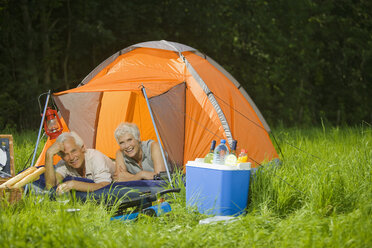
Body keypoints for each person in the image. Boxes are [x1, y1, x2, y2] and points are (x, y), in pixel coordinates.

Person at [44, 131, 115, 194]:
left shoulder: (95, 157)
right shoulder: (63, 163)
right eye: (65, 154)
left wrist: (74, 185)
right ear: (62, 157)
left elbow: (105, 185)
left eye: (74, 151)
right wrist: (48, 155)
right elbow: (50, 187)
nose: (71, 157)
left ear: (83, 148)